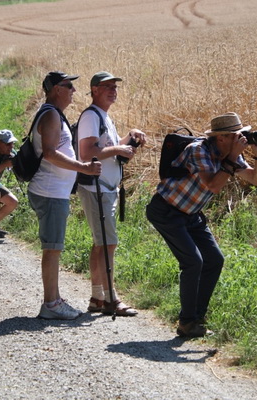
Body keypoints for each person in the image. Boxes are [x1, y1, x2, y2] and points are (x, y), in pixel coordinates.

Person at [146, 112, 257, 338]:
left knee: (215, 260)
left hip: (191, 214)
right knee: (193, 262)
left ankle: (197, 318)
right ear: (221, 137)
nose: (243, 139)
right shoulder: (198, 150)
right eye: (237, 135)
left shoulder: (230, 154)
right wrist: (232, 158)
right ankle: (187, 322)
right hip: (166, 210)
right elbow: (212, 186)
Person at [28, 71, 102, 320]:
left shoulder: (53, 113)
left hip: (53, 192)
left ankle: (54, 299)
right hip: (49, 192)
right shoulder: (50, 115)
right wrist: (84, 168)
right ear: (56, 89)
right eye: (68, 85)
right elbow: (49, 153)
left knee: (54, 247)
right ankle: (50, 304)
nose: (73, 90)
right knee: (52, 248)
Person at [76, 71, 146, 316]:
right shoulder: (91, 116)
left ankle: (97, 298)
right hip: (95, 188)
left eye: (115, 86)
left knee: (101, 244)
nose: (113, 90)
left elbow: (105, 148)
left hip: (104, 188)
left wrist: (131, 136)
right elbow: (87, 153)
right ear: (94, 89)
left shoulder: (103, 116)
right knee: (108, 244)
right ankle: (111, 300)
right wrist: (119, 148)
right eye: (107, 86)